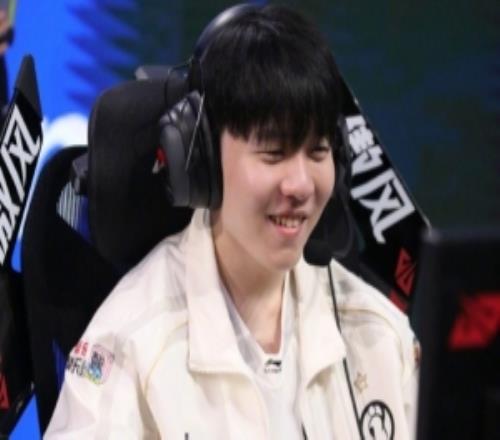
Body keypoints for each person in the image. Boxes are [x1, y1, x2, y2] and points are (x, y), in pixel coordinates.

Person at [45, 4, 418, 439]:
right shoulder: (131, 340)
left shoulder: (378, 333)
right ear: (201, 161)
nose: (301, 184)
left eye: (318, 151)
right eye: (274, 153)